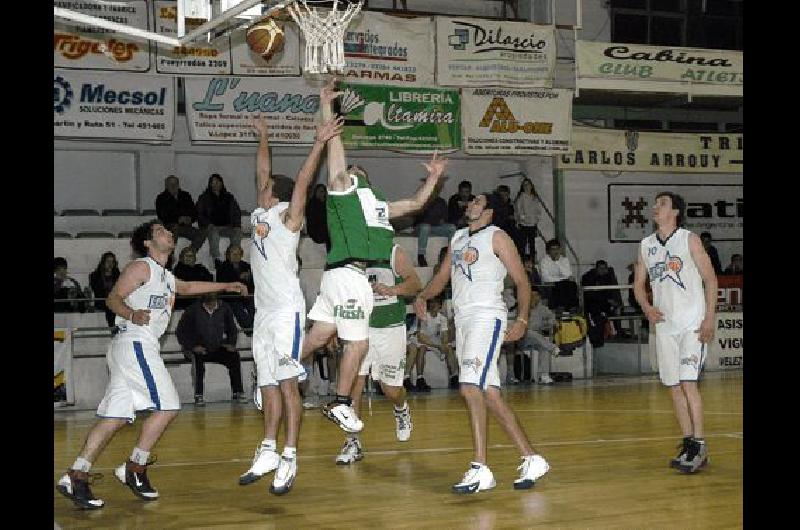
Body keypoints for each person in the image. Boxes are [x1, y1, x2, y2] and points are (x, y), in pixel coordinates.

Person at [56, 220, 247, 510]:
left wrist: (227, 285)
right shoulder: (141, 267)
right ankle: (135, 467)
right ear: (147, 242)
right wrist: (132, 314)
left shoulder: (165, 275)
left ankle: (76, 475)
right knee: (168, 405)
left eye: (168, 231)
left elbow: (188, 286)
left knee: (115, 418)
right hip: (135, 342)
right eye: (160, 231)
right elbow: (113, 299)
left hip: (131, 347)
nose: (168, 233)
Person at [299, 78, 446, 436]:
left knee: (328, 344)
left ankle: (278, 369)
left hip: (367, 299)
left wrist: (434, 179)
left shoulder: (378, 209)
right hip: (349, 279)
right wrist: (328, 109)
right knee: (354, 358)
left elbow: (413, 204)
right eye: (351, 172)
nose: (352, 173)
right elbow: (336, 164)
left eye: (357, 172)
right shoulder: (345, 195)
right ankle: (345, 417)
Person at [237, 112, 344, 496]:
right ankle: (267, 448)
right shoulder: (260, 213)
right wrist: (263, 136)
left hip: (286, 311)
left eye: (266, 186)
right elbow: (262, 167)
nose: (260, 185)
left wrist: (318, 142)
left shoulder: (288, 217)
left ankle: (290, 455)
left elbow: (301, 182)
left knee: (286, 386)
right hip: (265, 314)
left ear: (275, 194)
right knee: (266, 383)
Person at [414, 192, 549, 494]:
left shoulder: (498, 237)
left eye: (476, 201)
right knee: (490, 394)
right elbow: (442, 276)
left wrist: (523, 320)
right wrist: (423, 295)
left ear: (489, 211)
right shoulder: (459, 237)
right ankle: (532, 458)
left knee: (469, 387)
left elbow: (523, 282)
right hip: (462, 320)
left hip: (487, 317)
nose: (469, 205)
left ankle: (480, 467)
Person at [633, 192, 717, 474]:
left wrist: (709, 318)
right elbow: (638, 284)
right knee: (673, 387)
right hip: (664, 327)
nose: (656, 207)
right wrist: (646, 306)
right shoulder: (646, 245)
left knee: (688, 382)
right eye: (655, 203)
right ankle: (688, 442)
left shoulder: (689, 239)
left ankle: (699, 443)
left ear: (676, 212)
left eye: (663, 203)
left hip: (691, 323)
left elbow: (710, 279)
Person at [335, 243, 422, 465]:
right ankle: (352, 441)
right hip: (361, 327)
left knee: (391, 390)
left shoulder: (393, 252)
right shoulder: (350, 254)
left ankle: (401, 409)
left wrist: (393, 290)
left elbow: (415, 284)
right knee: (356, 384)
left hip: (391, 328)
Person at [176, 292, 247, 406]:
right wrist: (192, 346)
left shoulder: (225, 308)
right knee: (198, 362)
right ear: (203, 303)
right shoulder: (192, 310)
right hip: (198, 347)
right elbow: (180, 331)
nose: (212, 307)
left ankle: (237, 391)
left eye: (214, 304)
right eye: (209, 305)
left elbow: (232, 328)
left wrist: (231, 343)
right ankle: (198, 395)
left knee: (234, 357)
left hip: (218, 346)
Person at [406, 297, 457, 390]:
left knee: (448, 347)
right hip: (417, 337)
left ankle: (454, 377)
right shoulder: (423, 316)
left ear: (440, 306)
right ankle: (419, 379)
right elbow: (421, 337)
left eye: (436, 303)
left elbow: (445, 335)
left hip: (431, 339)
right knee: (422, 348)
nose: (434, 305)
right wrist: (438, 346)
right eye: (432, 303)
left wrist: (444, 345)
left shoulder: (442, 318)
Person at [196, 173, 243, 267]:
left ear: (221, 183)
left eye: (218, 182)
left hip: (227, 227)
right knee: (213, 233)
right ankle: (216, 259)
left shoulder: (229, 197)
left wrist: (237, 225)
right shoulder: (204, 198)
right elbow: (199, 213)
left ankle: (232, 256)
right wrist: (208, 224)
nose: (216, 184)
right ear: (210, 184)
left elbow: (236, 212)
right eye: (213, 182)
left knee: (237, 232)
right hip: (211, 227)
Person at [518, 289, 559, 385]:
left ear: (539, 297)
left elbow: (553, 319)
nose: (533, 298)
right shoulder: (522, 307)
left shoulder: (542, 308)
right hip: (521, 338)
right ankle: (553, 348)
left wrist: (547, 323)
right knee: (530, 332)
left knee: (543, 348)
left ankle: (543, 376)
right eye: (531, 295)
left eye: (536, 295)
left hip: (536, 339)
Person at [155, 175, 205, 251]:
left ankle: (189, 253)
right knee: (174, 228)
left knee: (201, 233)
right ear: (166, 186)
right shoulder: (161, 198)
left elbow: (194, 212)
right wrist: (177, 219)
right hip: (170, 226)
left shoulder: (186, 196)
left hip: (185, 226)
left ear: (178, 185)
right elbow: (162, 216)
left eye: (175, 184)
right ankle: (169, 255)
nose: (173, 186)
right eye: (170, 184)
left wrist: (190, 218)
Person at [215, 244, 256, 331]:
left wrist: (247, 281)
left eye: (238, 254)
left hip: (246, 296)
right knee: (237, 306)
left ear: (241, 255)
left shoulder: (246, 266)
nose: (236, 256)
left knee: (254, 303)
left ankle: (254, 328)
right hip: (230, 297)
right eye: (233, 253)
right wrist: (239, 278)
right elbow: (223, 285)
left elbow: (252, 284)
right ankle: (248, 328)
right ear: (228, 255)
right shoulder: (222, 267)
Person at [415, 183, 456, 266]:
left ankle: (450, 252)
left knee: (452, 227)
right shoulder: (422, 200)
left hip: (434, 227)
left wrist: (439, 221)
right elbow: (419, 219)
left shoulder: (441, 202)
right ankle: (421, 255)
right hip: (421, 228)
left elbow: (444, 219)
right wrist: (433, 220)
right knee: (425, 227)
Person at [581, 260, 624, 335]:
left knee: (616, 308)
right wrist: (608, 300)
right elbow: (590, 295)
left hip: (604, 303)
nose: (602, 270)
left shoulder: (607, 277)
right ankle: (604, 332)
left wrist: (614, 302)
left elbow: (609, 292)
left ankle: (618, 331)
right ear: (596, 268)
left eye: (604, 268)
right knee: (599, 311)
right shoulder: (588, 277)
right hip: (593, 304)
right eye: (601, 268)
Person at [538, 239, 579, 311]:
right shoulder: (544, 261)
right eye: (553, 249)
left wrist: (557, 262)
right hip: (550, 285)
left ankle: (572, 307)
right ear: (548, 251)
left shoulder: (564, 260)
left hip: (563, 283)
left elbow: (568, 274)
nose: (555, 251)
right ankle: (561, 307)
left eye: (557, 249)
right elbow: (546, 278)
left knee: (572, 284)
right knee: (561, 285)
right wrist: (562, 279)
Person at [89, 252, 121, 327]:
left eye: (112, 262)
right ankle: (113, 327)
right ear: (103, 263)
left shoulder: (118, 275)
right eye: (108, 261)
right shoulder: (95, 276)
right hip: (102, 301)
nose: (110, 264)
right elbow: (97, 291)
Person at [514, 178, 542, 260]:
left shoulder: (534, 198)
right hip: (524, 224)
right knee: (522, 244)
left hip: (532, 224)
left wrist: (536, 219)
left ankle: (532, 260)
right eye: (525, 185)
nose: (527, 186)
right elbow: (519, 211)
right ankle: (522, 260)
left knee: (532, 244)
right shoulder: (521, 197)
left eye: (528, 184)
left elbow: (538, 210)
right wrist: (524, 219)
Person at [306, 183, 331, 251]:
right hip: (317, 232)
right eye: (319, 191)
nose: (321, 194)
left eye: (322, 192)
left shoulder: (327, 203)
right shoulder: (313, 204)